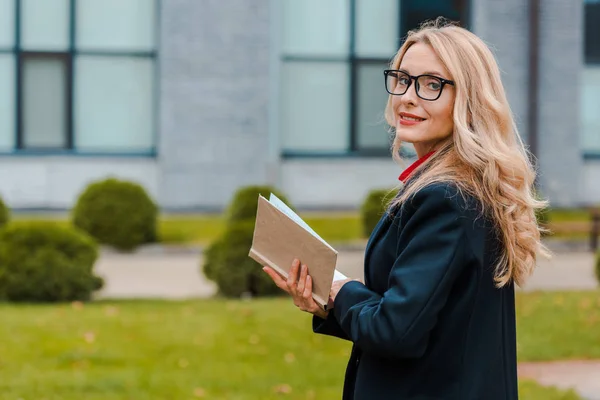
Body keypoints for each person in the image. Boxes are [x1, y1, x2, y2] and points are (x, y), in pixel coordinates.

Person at [263, 18, 550, 400]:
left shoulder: (446, 197)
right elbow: (422, 318)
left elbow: (395, 331)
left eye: (432, 84)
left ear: (468, 99)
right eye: (402, 79)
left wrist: (340, 289)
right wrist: (327, 304)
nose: (408, 97)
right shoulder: (466, 186)